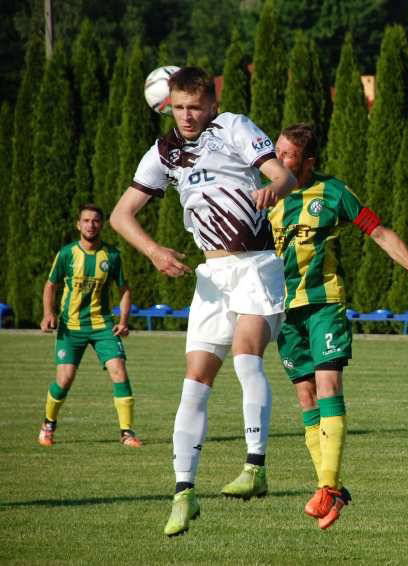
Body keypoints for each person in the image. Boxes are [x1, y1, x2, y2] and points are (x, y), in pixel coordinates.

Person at [110, 67, 298, 537]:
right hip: (211, 275)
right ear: (167, 106)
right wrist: (153, 251)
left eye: (195, 106)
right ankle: (183, 493)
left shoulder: (233, 126)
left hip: (255, 264)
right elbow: (121, 214)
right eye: (179, 108)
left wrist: (273, 187)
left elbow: (284, 176)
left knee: (246, 355)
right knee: (194, 381)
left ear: (211, 104)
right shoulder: (164, 151)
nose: (187, 116)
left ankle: (255, 468)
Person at [269, 124, 408, 529]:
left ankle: (326, 486)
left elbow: (378, 231)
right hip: (281, 310)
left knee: (328, 386)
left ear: (307, 162)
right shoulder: (262, 194)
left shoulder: (333, 193)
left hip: (323, 302)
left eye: (287, 155)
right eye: (276, 152)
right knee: (306, 397)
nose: (276, 160)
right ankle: (332, 488)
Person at [38, 204, 138, 448]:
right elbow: (51, 285)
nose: (90, 225)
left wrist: (123, 321)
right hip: (70, 327)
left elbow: (124, 290)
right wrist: (47, 313)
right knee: (65, 379)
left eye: (95, 221)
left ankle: (127, 433)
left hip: (102, 325)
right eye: (86, 220)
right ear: (78, 224)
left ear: (101, 224)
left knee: (119, 371)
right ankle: (48, 424)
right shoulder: (67, 253)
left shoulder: (112, 256)